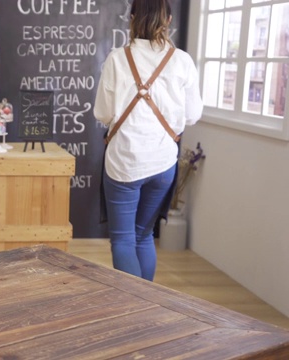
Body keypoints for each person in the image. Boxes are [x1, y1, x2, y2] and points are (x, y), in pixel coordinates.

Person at [93, 0, 202, 281]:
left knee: (123, 240)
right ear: (167, 19)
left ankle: (134, 310)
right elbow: (192, 115)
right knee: (143, 237)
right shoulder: (182, 61)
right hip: (162, 163)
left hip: (123, 162)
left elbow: (103, 113)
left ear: (131, 18)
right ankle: (148, 307)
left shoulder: (117, 58)